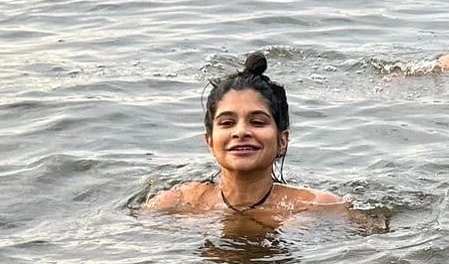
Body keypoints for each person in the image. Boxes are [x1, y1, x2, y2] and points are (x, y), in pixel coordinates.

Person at [143, 53, 347, 227]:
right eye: (227, 123)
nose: (241, 132)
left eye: (257, 122)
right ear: (210, 142)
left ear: (282, 141)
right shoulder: (175, 204)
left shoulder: (317, 207)